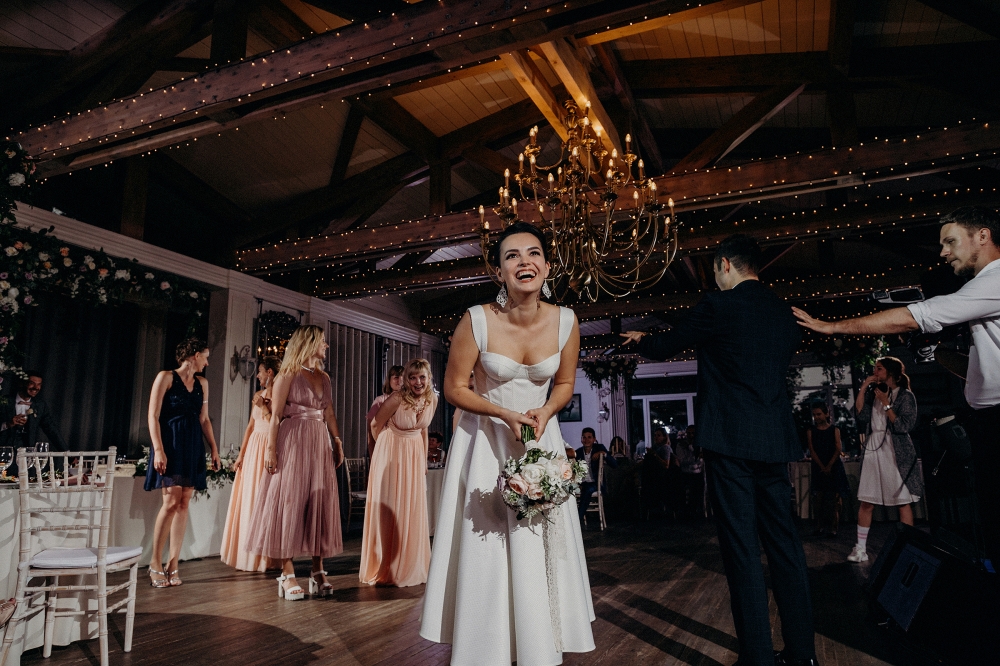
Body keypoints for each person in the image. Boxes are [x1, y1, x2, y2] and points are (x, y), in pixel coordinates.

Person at [622, 234, 818, 666]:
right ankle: (803, 656)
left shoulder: (718, 305)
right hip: (773, 440)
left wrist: (641, 339)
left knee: (742, 549)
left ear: (725, 265)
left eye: (715, 271)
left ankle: (758, 658)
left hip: (730, 441)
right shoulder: (783, 312)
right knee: (786, 547)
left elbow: (668, 344)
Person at [420, 222, 595, 664]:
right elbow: (455, 387)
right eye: (512, 256)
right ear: (498, 271)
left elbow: (565, 383)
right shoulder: (476, 319)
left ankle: (538, 643)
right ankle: (486, 646)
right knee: (489, 543)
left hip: (540, 438)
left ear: (547, 266)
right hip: (486, 441)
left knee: (538, 540)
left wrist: (547, 411)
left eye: (533, 253)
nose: (524, 262)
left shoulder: (567, 321)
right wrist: (501, 413)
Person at [793, 206, 1000, 567]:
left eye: (950, 242)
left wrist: (832, 327)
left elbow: (911, 317)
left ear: (982, 235)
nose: (943, 252)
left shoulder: (993, 281)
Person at [245, 325, 345, 601]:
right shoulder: (288, 374)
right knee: (289, 500)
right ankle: (287, 572)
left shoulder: (324, 377)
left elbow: (329, 413)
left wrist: (337, 441)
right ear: (309, 343)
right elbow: (275, 416)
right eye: (322, 341)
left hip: (319, 442)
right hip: (292, 440)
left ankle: (317, 569)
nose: (326, 345)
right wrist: (271, 450)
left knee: (318, 502)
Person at [145, 339, 222, 588]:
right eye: (205, 357)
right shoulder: (166, 377)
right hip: (171, 443)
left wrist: (214, 448)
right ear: (195, 355)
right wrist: (158, 449)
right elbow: (153, 415)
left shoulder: (203, 384)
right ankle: (155, 562)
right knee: (170, 502)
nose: (207, 363)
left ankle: (173, 562)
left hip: (192, 445)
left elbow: (204, 419)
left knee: (184, 502)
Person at [360, 358, 438, 587]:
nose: (418, 382)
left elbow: (424, 431)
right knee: (392, 506)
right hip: (392, 451)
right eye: (412, 377)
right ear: (406, 380)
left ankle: (410, 563)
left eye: (422, 377)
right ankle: (388, 565)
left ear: (429, 378)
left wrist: (423, 460)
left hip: (414, 454)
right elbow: (375, 425)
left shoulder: (432, 399)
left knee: (411, 506)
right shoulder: (396, 398)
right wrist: (385, 450)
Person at [846, 358, 922, 562]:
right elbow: (860, 415)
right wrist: (864, 387)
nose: (875, 372)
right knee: (866, 500)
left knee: (902, 501)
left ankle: (907, 547)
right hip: (874, 448)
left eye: (879, 368)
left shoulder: (905, 396)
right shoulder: (873, 393)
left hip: (895, 449)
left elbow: (904, 426)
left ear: (891, 372)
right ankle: (860, 549)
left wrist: (886, 404)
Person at [220, 356, 280, 572]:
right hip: (254, 447)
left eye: (261, 372)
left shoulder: (281, 395)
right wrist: (241, 456)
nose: (258, 376)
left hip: (269, 448)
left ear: (270, 372)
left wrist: (265, 407)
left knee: (265, 499)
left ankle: (266, 557)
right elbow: (249, 428)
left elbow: (277, 424)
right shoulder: (257, 395)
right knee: (249, 498)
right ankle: (247, 556)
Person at [0, 371, 67, 478]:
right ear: (22, 383)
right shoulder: (4, 401)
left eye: (39, 384)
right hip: (4, 454)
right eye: (32, 383)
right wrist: (8, 424)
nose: (36, 387)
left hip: (27, 456)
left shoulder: (40, 405)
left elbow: (51, 429)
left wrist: (66, 452)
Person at [806, 404, 848, 537]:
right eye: (814, 415)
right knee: (818, 498)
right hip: (818, 465)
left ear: (826, 414)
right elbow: (812, 450)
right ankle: (819, 526)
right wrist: (822, 466)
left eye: (818, 414)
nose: (816, 417)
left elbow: (838, 448)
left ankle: (834, 528)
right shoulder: (811, 431)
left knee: (835, 498)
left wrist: (829, 465)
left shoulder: (834, 429)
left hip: (834, 465)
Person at [575, 427, 616, 526]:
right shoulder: (578, 452)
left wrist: (603, 453)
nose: (586, 440)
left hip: (596, 483)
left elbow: (614, 465)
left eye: (589, 437)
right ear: (581, 439)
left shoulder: (599, 448)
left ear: (594, 439)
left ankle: (577, 520)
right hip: (582, 483)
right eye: (584, 437)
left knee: (587, 489)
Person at [367, 365, 404, 458]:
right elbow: (371, 430)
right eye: (396, 377)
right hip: (386, 447)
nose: (400, 381)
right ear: (389, 380)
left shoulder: (410, 401)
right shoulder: (380, 401)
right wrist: (373, 456)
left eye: (403, 377)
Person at [675, 425, 706, 519]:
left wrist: (690, 448)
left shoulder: (699, 445)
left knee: (699, 493)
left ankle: (698, 511)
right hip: (686, 473)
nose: (691, 435)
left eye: (693, 433)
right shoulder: (680, 445)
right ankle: (687, 512)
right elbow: (682, 460)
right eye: (689, 433)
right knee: (686, 494)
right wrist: (694, 455)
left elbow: (700, 459)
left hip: (698, 473)